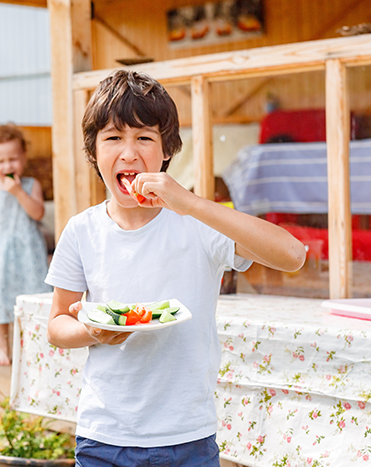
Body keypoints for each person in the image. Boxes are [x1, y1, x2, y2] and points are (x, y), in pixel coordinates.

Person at [45, 70, 306, 466]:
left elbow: (292, 254)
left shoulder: (197, 223)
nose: (129, 153)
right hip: (104, 437)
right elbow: (57, 326)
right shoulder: (82, 230)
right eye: (113, 138)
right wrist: (92, 331)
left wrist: (191, 203)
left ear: (166, 150)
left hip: (188, 437)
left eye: (144, 138)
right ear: (93, 152)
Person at [0, 123, 52, 366]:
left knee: (31, 301)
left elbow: (37, 213)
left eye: (13, 159)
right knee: (1, 302)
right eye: (0, 161)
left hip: (27, 255)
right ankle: (3, 349)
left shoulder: (30, 185)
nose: (7, 166)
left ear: (23, 157)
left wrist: (17, 192)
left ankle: (33, 346)